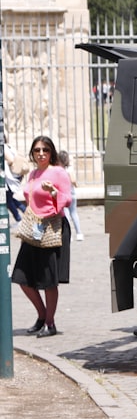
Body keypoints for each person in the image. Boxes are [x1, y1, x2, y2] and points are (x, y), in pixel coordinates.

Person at [12, 135, 72, 338]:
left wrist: (53, 192)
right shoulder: (34, 174)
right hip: (34, 228)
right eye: (37, 150)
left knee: (48, 279)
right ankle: (42, 316)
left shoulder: (58, 172)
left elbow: (67, 199)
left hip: (53, 227)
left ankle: (50, 323)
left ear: (51, 152)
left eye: (45, 150)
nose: (41, 154)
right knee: (22, 277)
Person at [58, 151, 84, 241]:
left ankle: (69, 235)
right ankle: (79, 233)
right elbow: (73, 180)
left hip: (63, 194)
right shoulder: (69, 169)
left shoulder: (59, 170)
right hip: (72, 193)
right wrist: (76, 184)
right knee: (74, 213)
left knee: (66, 214)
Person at [4, 144, 27, 221]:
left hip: (11, 176)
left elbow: (10, 160)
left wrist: (3, 163)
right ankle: (25, 212)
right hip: (16, 175)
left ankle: (18, 218)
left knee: (8, 200)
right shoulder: (9, 146)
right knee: (9, 198)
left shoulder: (3, 147)